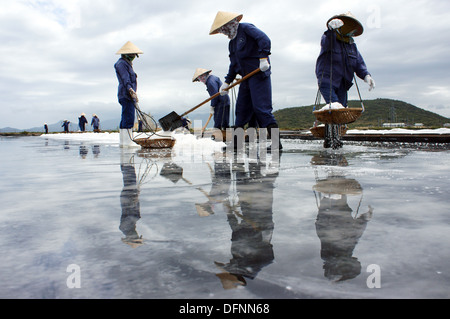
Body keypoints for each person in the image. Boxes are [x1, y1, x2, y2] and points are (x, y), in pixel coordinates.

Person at [209, 11, 281, 150]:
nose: (223, 32)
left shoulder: (246, 29)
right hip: (246, 79)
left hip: (259, 74)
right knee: (241, 110)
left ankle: (277, 144)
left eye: (224, 28)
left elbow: (264, 39)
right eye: (221, 30)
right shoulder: (232, 44)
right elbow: (234, 65)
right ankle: (236, 144)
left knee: (262, 109)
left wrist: (263, 57)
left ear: (231, 23)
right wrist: (226, 82)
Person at [315, 12, 375, 148]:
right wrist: (330, 30)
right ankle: (333, 140)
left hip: (343, 83)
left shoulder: (351, 46)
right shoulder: (329, 40)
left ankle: (332, 138)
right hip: (327, 80)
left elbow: (358, 63)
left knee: (340, 111)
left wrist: (366, 76)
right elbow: (326, 42)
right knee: (334, 107)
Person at [114, 41, 143, 147]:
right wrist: (131, 90)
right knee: (128, 117)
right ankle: (126, 141)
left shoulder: (127, 64)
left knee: (127, 116)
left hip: (129, 95)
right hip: (126, 94)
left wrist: (134, 93)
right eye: (132, 55)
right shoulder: (122, 64)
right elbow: (125, 79)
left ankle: (124, 141)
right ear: (126, 54)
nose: (133, 57)